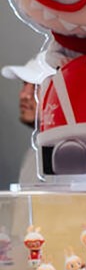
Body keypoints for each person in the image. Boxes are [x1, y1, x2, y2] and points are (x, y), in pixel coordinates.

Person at [1, 54, 54, 185]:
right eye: (25, 85)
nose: (24, 95)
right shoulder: (36, 150)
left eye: (36, 87)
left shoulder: (76, 156)